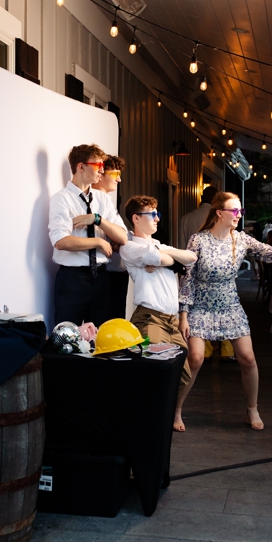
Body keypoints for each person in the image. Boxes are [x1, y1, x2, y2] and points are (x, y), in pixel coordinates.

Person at [176, 192, 272, 430]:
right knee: (194, 358)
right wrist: (183, 315)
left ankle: (252, 410)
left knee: (247, 358)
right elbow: (187, 278)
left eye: (240, 211)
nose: (239, 215)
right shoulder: (199, 240)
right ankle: (177, 409)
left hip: (230, 305)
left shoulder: (241, 239)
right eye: (234, 211)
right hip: (201, 306)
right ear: (219, 213)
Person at [120, 195, 198, 431]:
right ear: (136, 218)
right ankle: (143, 421)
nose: (156, 219)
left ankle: (155, 415)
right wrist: (170, 260)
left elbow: (191, 257)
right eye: (151, 214)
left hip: (171, 320)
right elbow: (163, 258)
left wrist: (167, 258)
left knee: (182, 374)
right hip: (150, 317)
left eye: (158, 214)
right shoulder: (130, 246)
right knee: (153, 370)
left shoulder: (160, 244)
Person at [48, 143, 129, 341]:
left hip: (101, 278)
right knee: (68, 338)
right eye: (97, 165)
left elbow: (123, 236)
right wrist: (98, 242)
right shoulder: (61, 199)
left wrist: (98, 219)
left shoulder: (102, 199)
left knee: (101, 339)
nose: (102, 169)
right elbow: (60, 241)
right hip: (73, 280)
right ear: (80, 167)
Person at [179, 185, 233, 360]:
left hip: (192, 269)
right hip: (218, 270)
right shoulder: (222, 217)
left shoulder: (186, 218)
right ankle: (226, 348)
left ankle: (206, 348)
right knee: (222, 308)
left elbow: (181, 247)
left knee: (199, 309)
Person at [98, 155, 129, 320]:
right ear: (101, 174)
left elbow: (122, 237)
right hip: (108, 274)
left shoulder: (107, 201)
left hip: (116, 272)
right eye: (115, 174)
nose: (119, 179)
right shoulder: (96, 199)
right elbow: (121, 238)